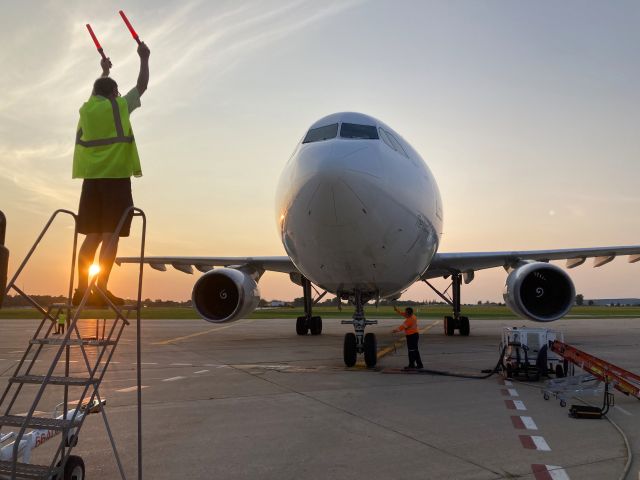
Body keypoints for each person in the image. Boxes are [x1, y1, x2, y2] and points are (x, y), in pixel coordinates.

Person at [71, 41, 150, 307]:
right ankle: (101, 289)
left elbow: (97, 93)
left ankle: (81, 289)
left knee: (91, 236)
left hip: (91, 180)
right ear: (115, 93)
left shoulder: (87, 110)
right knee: (110, 236)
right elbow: (141, 87)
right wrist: (144, 58)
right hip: (115, 179)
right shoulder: (119, 107)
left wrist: (103, 72)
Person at [392, 305, 423, 370]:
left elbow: (402, 327)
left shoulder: (409, 320)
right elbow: (403, 314)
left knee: (411, 351)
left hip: (412, 336)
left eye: (406, 312)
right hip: (414, 335)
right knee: (415, 350)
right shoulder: (413, 316)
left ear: (409, 313)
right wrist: (397, 310)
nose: (405, 313)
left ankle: (411, 365)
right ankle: (419, 364)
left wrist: (395, 330)